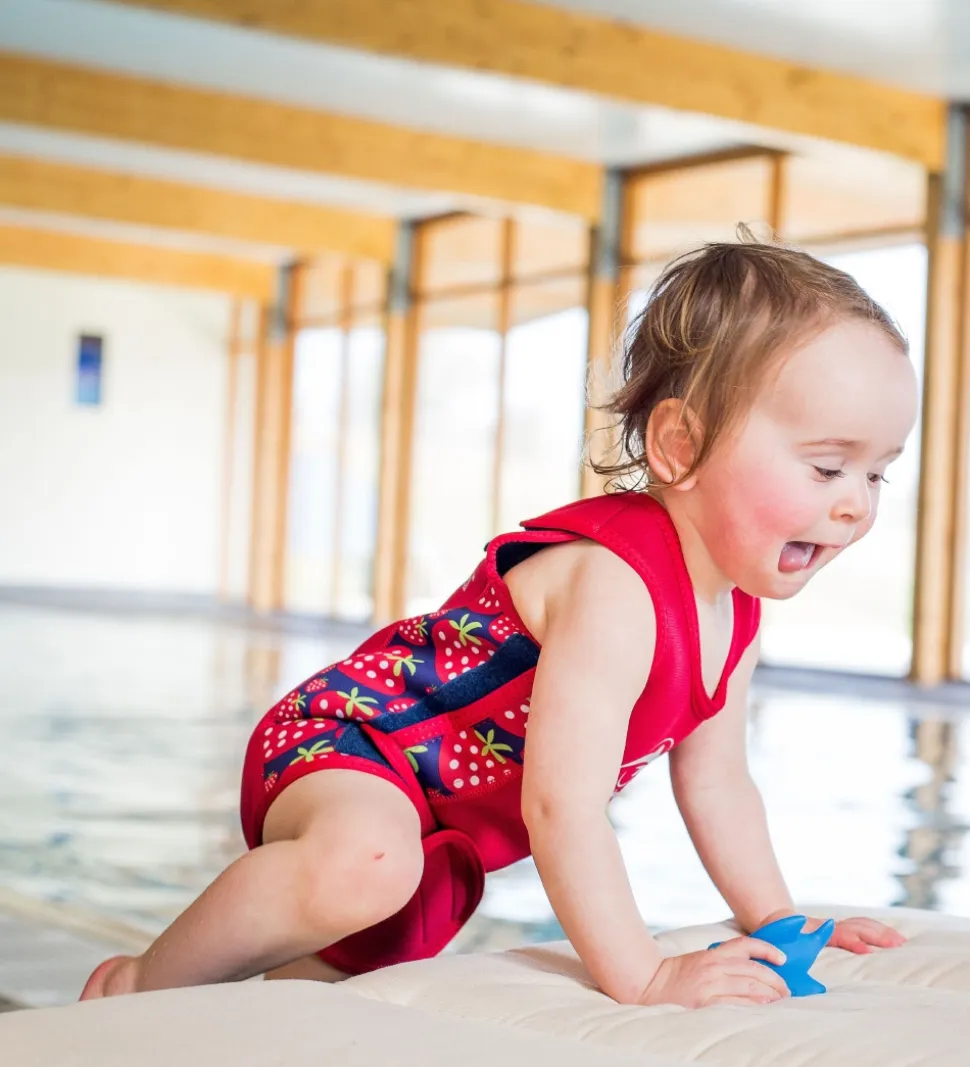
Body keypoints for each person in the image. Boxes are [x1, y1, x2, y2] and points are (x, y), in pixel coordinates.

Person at [82, 238, 915, 1009]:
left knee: (317, 990)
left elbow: (719, 782)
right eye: (827, 466)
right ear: (679, 445)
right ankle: (136, 984)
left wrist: (778, 920)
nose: (855, 503)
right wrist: (647, 974)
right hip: (357, 741)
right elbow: (562, 807)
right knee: (366, 864)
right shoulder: (618, 585)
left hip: (438, 840)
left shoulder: (734, 616)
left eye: (877, 474)